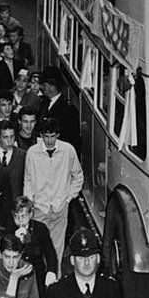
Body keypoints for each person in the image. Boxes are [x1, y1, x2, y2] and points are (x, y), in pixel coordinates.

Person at [23, 117, 84, 273]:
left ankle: (54, 284)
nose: (49, 140)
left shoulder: (68, 150)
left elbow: (78, 176)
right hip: (39, 209)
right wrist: (30, 204)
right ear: (41, 136)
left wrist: (68, 198)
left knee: (57, 248)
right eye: (46, 136)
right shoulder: (32, 153)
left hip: (60, 207)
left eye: (52, 136)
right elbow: (28, 181)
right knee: (37, 249)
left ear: (58, 135)